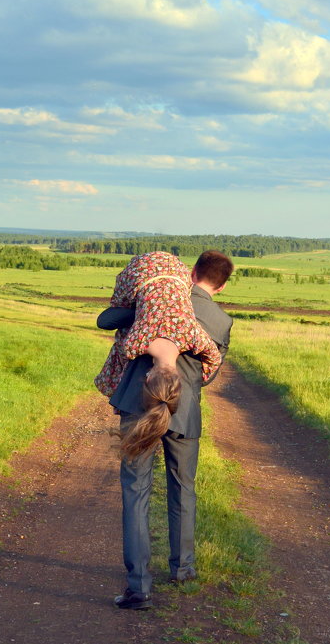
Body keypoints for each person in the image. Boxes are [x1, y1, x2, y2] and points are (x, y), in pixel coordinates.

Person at [96, 250, 234, 610]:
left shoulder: (157, 296)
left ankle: (138, 586)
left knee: (135, 491)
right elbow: (210, 374)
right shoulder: (220, 320)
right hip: (183, 409)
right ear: (221, 284)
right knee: (183, 489)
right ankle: (183, 569)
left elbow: (106, 318)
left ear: (190, 273)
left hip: (139, 404)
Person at [94, 250, 222, 400]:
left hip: (176, 270)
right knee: (120, 306)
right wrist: (115, 395)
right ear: (148, 376)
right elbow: (120, 366)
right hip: (141, 270)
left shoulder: (192, 335)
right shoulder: (136, 343)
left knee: (121, 306)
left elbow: (214, 358)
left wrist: (201, 378)